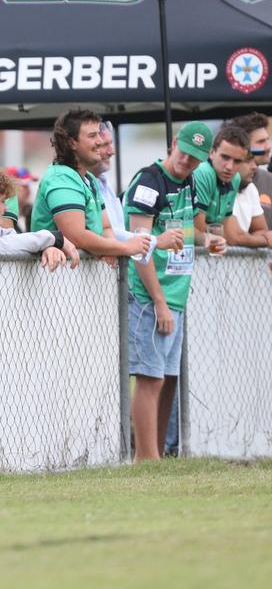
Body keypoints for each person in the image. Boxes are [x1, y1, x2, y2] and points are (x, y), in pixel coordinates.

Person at [123, 121, 213, 462]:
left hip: (175, 294)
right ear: (174, 143)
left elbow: (187, 231)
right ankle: (145, 457)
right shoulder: (150, 180)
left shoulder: (189, 181)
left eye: (195, 158)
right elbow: (139, 245)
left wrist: (209, 238)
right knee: (149, 377)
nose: (187, 161)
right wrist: (158, 300)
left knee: (167, 377)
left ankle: (156, 453)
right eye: (185, 152)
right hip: (150, 297)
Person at [31, 109, 150, 259]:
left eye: (99, 134)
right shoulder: (61, 178)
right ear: (72, 142)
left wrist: (110, 248)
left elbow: (106, 227)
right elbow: (76, 236)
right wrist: (124, 247)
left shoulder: (90, 179)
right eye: (93, 135)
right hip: (57, 278)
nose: (100, 141)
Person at [193, 124, 249, 240]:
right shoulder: (203, 172)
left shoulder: (236, 178)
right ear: (212, 152)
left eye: (237, 161)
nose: (230, 167)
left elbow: (224, 226)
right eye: (225, 157)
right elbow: (197, 229)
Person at [225, 115, 272, 247]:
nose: (268, 147)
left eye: (268, 140)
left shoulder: (264, 182)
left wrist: (250, 240)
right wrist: (263, 241)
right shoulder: (219, 182)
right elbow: (235, 237)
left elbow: (261, 230)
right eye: (261, 141)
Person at [87, 121, 135, 243]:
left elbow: (115, 230)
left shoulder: (104, 183)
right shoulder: (80, 184)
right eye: (104, 145)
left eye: (111, 143)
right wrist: (153, 241)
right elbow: (99, 231)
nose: (112, 151)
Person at [5, 166, 38, 232]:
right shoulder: (2, 217)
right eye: (24, 186)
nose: (28, 190)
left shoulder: (31, 213)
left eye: (28, 186)